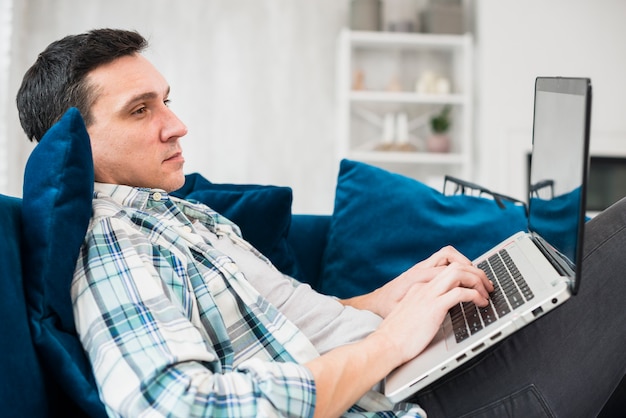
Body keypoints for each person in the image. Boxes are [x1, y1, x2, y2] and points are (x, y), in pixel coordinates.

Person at [16, 28, 626, 417]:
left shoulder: (177, 215)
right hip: (417, 404)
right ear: (74, 142)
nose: (175, 125)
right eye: (140, 111)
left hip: (408, 376)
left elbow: (293, 323)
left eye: (166, 100)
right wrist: (393, 342)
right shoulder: (116, 249)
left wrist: (396, 300)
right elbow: (174, 407)